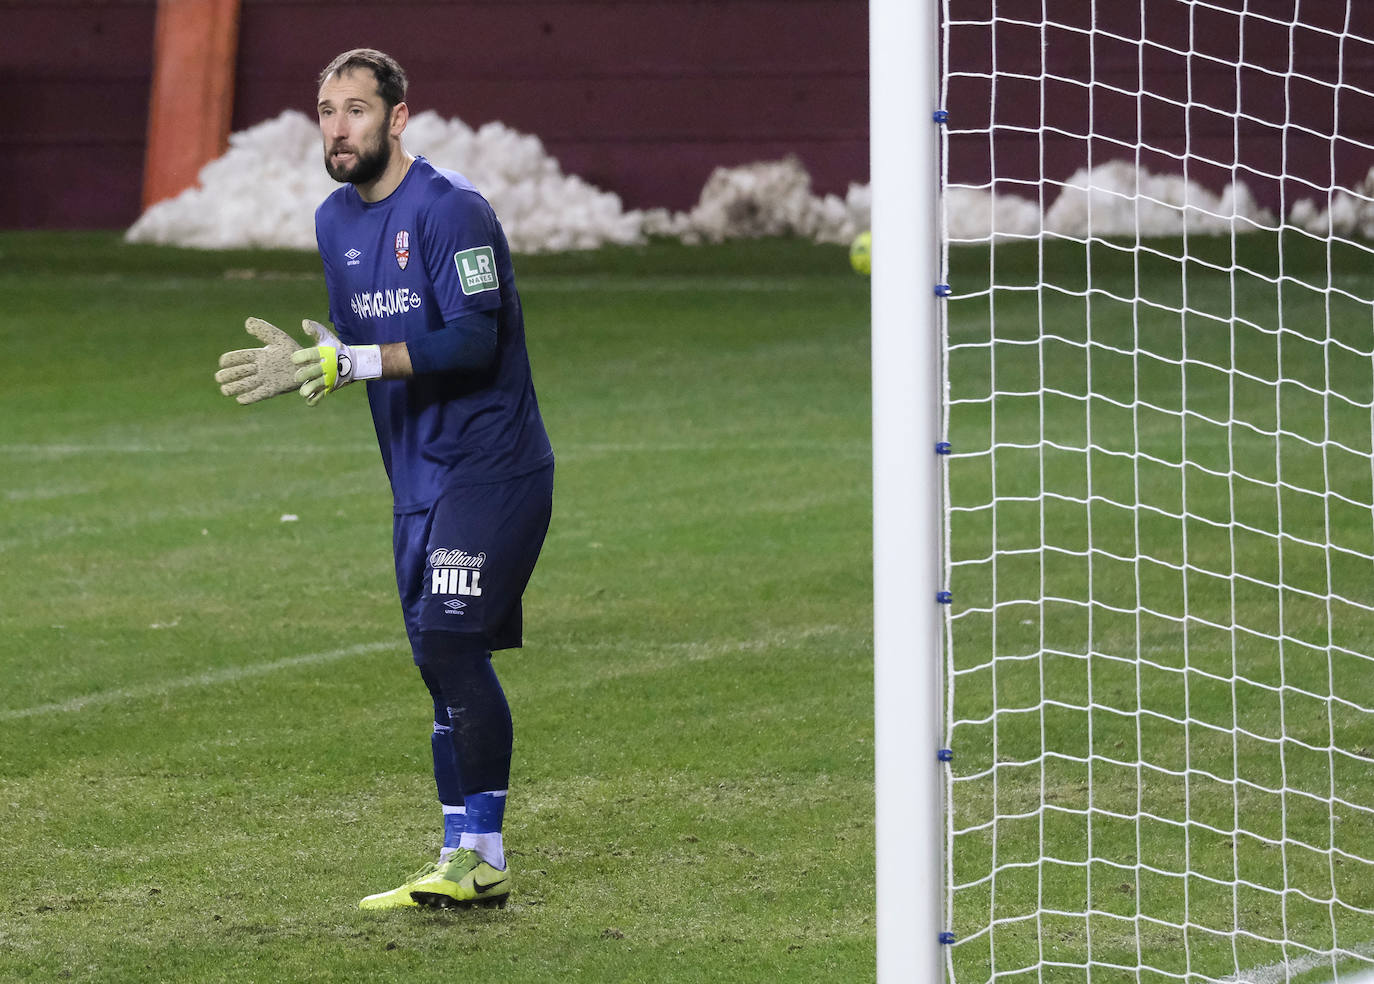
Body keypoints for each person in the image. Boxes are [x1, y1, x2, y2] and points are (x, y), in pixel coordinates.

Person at [213, 48, 554, 911]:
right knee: (437, 664)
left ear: (397, 119)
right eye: (326, 110)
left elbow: (473, 340)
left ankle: (484, 857)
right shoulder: (334, 221)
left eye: (356, 109)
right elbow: (356, 334)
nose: (338, 127)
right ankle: (458, 855)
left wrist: (353, 359)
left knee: (450, 642)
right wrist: (311, 359)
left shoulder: (451, 210)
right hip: (416, 481)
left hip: (493, 466)